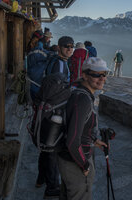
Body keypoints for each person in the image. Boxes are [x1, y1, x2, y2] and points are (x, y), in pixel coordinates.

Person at [57, 57, 108, 200]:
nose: (102, 78)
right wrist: (84, 165)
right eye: (97, 74)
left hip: (68, 159)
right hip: (75, 162)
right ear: (84, 75)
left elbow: (77, 126)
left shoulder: (80, 93)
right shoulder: (83, 99)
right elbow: (73, 141)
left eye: (104, 74)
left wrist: (93, 140)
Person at [36, 36, 74, 199]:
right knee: (52, 149)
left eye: (72, 46)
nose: (70, 49)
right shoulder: (59, 63)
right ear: (58, 47)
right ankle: (52, 187)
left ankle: (41, 178)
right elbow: (56, 90)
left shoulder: (57, 61)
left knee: (46, 146)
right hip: (54, 112)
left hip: (46, 110)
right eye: (66, 46)